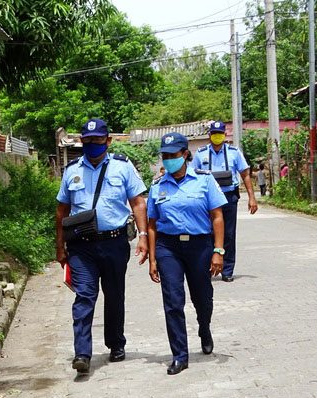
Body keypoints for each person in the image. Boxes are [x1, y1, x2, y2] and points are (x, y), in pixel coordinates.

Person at [56, 118, 148, 374]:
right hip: (81, 247)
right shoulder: (72, 170)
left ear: (108, 141)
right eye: (87, 140)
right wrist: (60, 246)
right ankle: (82, 353)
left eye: (97, 140)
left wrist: (143, 235)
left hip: (114, 243)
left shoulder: (122, 166)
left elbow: (138, 202)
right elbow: (62, 210)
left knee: (114, 295)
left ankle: (116, 343)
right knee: (84, 296)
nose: (92, 144)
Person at [147, 132, 227, 375]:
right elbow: (152, 224)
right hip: (168, 247)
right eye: (165, 156)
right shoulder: (157, 186)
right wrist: (152, 259)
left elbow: (217, 217)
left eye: (173, 155)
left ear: (185, 154)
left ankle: (204, 327)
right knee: (173, 301)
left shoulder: (204, 180)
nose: (169, 159)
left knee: (202, 297)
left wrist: (218, 251)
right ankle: (179, 355)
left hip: (199, 246)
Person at [192, 121, 258, 282]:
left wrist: (252, 197)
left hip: (229, 196)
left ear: (225, 134)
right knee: (207, 233)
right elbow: (193, 176)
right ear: (209, 135)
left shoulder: (234, 152)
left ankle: (227, 270)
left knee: (228, 234)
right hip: (207, 198)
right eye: (214, 133)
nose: (217, 136)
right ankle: (207, 268)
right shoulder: (200, 154)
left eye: (220, 133)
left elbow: (245, 174)